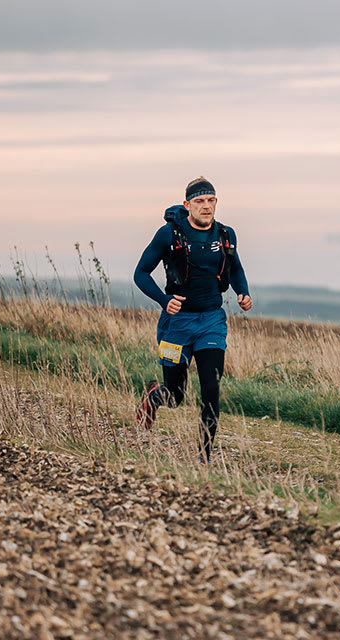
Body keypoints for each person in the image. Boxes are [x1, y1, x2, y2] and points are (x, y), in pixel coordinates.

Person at [133, 176, 252, 463]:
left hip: (211, 321)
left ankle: (204, 456)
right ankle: (154, 397)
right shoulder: (168, 234)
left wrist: (243, 293)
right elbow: (140, 274)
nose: (206, 206)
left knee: (211, 387)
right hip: (176, 325)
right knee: (175, 396)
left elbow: (235, 269)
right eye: (199, 201)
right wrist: (164, 301)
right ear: (187, 205)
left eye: (211, 201)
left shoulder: (226, 234)